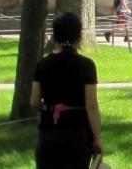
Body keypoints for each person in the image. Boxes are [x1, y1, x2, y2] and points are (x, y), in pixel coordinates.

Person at [32, 11, 102, 169]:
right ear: (79, 36)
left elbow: (34, 101)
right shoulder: (87, 65)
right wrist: (98, 137)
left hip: (48, 131)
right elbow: (91, 105)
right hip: (78, 134)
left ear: (55, 35)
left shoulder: (43, 64)